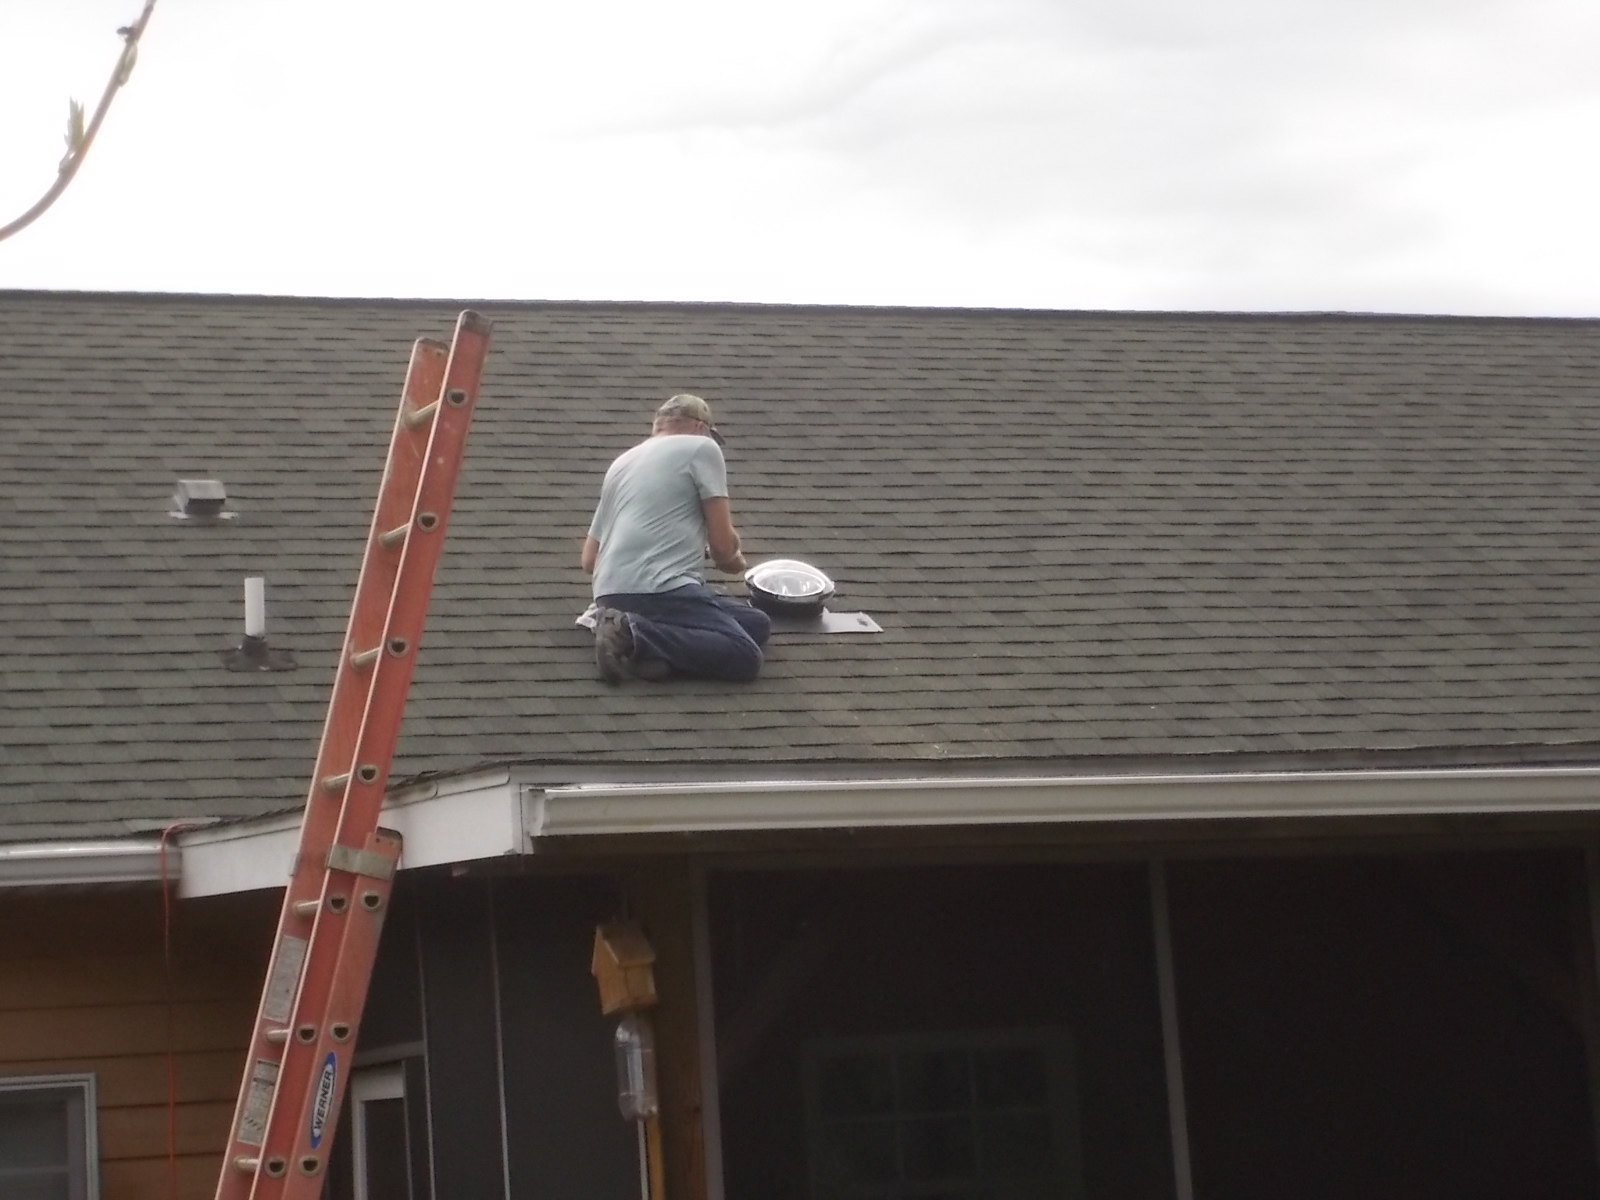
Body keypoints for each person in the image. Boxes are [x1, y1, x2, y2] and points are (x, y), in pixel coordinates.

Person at [581, 393, 771, 684]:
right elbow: (723, 550)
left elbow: (590, 559)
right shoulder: (701, 448)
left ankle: (652, 651)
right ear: (700, 428)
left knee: (756, 623)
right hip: (660, 590)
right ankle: (631, 633)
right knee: (744, 654)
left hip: (609, 592)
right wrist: (734, 557)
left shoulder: (622, 463)